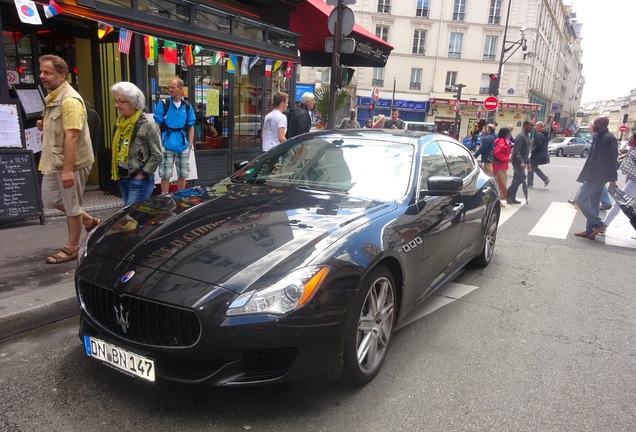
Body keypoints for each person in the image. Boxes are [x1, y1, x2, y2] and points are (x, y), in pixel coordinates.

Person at [36, 55, 98, 264]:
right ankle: (90, 221)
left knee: (71, 205)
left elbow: (72, 136)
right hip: (54, 159)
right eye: (41, 71)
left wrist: (68, 170)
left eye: (48, 72)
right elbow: (60, 128)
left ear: (62, 75)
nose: (42, 76)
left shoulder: (69, 100)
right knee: (50, 198)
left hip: (71, 162)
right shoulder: (53, 96)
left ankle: (72, 248)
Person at [110, 81, 163, 206]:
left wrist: (142, 175)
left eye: (121, 101)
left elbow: (157, 155)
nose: (117, 105)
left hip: (139, 179)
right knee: (131, 215)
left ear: (134, 102)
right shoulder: (119, 123)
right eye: (115, 101)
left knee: (132, 218)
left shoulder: (147, 124)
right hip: (123, 177)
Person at [573, 116, 619, 239]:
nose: (592, 126)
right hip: (593, 174)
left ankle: (598, 224)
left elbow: (612, 159)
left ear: (601, 124)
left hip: (598, 176)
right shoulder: (599, 137)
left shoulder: (609, 138)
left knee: (580, 199)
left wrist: (612, 179)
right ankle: (589, 230)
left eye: (594, 123)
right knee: (593, 203)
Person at [154, 76, 196, 194]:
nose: (170, 90)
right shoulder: (164, 104)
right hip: (167, 144)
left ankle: (180, 197)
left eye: (173, 87)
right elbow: (157, 124)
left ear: (180, 88)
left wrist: (190, 143)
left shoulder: (187, 107)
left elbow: (191, 125)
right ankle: (165, 197)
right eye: (169, 87)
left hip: (182, 145)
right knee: (165, 174)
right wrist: (159, 142)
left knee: (183, 173)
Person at [602, 131, 636, 235]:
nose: (629, 140)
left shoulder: (634, 152)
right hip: (632, 180)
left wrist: (619, 159)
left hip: (634, 182)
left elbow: (622, 166)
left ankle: (603, 226)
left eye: (631, 138)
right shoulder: (632, 150)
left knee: (618, 203)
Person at [506, 120, 534, 204]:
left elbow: (526, 151)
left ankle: (512, 197)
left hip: (523, 160)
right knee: (521, 178)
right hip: (517, 161)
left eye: (533, 126)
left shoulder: (527, 136)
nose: (532, 127)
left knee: (516, 178)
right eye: (530, 125)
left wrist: (528, 163)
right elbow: (516, 151)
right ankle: (508, 193)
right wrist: (521, 162)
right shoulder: (521, 136)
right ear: (525, 125)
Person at [492, 127, 512, 205]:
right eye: (509, 132)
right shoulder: (502, 142)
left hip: (500, 165)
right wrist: (506, 158)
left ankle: (498, 200)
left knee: (499, 183)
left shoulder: (502, 141)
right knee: (502, 184)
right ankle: (498, 200)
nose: (510, 134)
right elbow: (497, 153)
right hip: (500, 166)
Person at [527, 121, 551, 188]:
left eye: (536, 126)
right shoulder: (545, 134)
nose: (534, 127)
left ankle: (530, 183)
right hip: (541, 154)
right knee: (534, 168)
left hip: (537, 154)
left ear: (539, 126)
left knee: (531, 168)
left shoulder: (539, 134)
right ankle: (545, 179)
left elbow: (538, 145)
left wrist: (533, 150)